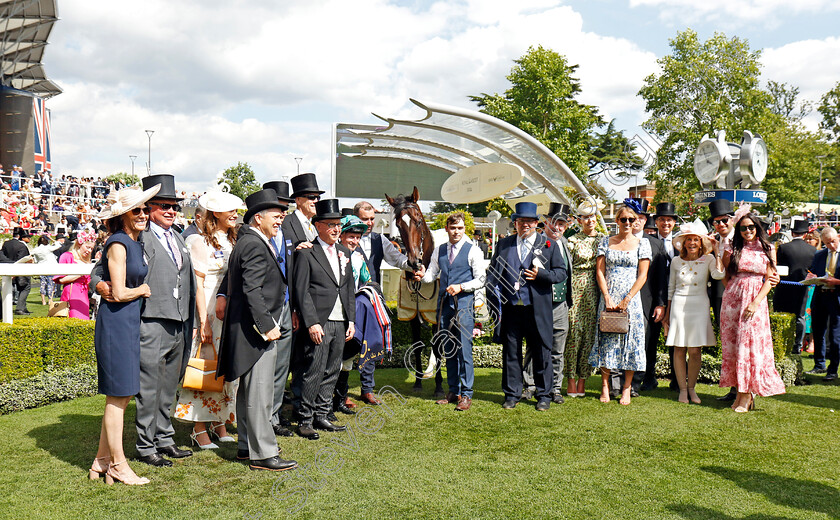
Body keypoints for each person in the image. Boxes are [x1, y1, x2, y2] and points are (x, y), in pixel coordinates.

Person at [92, 174, 197, 467]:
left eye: (174, 206)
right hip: (149, 320)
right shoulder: (136, 235)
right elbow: (100, 270)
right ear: (146, 207)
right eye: (162, 205)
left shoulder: (178, 236)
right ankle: (146, 444)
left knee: (169, 385)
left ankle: (164, 438)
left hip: (179, 321)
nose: (170, 211)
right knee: (148, 387)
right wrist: (98, 285)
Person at [216, 189, 297, 471]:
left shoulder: (251, 240)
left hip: (250, 330)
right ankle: (263, 454)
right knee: (260, 393)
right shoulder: (253, 244)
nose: (281, 221)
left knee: (250, 392)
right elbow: (252, 289)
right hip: (256, 331)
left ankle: (245, 447)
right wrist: (267, 327)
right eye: (276, 216)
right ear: (258, 217)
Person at [89, 184, 159, 485]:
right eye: (137, 210)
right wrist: (142, 290)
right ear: (124, 216)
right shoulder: (118, 242)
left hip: (128, 323)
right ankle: (118, 464)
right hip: (116, 323)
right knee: (118, 396)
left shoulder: (135, 241)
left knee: (124, 393)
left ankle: (101, 462)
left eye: (146, 209)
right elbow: (117, 293)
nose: (143, 214)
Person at [173, 191, 243, 449]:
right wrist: (203, 321)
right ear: (216, 214)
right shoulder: (198, 242)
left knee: (225, 371)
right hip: (209, 311)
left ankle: (219, 422)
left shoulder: (233, 239)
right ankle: (198, 428)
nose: (235, 214)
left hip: (230, 312)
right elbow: (198, 285)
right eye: (229, 210)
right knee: (205, 369)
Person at [486, 202, 566, 411]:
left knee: (541, 352)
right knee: (511, 352)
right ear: (515, 223)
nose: (525, 225)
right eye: (521, 221)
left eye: (529, 221)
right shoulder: (504, 245)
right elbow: (493, 273)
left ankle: (544, 396)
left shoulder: (548, 244)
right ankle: (512, 394)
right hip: (511, 309)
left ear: (536, 223)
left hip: (536, 309)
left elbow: (561, 273)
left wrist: (541, 275)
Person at [292, 198, 356, 438]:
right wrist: (312, 322)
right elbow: (302, 290)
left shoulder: (344, 252)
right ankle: (305, 418)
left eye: (338, 224)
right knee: (313, 369)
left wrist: (351, 320)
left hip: (341, 321)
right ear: (318, 225)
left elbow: (348, 288)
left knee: (332, 369)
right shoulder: (307, 252)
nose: (336, 229)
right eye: (330, 224)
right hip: (319, 320)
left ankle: (322, 414)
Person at [419, 212, 486, 411]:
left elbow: (481, 279)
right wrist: (421, 276)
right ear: (446, 228)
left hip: (464, 306)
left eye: (460, 228)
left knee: (464, 350)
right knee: (449, 349)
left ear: (465, 229)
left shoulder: (473, 251)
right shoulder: (439, 250)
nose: (456, 232)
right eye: (453, 228)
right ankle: (453, 391)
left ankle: (466, 395)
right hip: (445, 306)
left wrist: (461, 286)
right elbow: (431, 275)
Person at [720, 207, 785, 412]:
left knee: (750, 346)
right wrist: (731, 292)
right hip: (733, 300)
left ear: (757, 227)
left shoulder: (767, 248)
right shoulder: (732, 248)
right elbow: (725, 273)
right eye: (742, 228)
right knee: (734, 347)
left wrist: (756, 302)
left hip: (755, 300)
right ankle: (739, 393)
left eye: (751, 227)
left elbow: (770, 278)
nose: (747, 231)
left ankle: (747, 395)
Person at [589, 200, 651, 406]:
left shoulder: (643, 243)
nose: (627, 222)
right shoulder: (606, 241)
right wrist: (606, 296)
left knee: (631, 342)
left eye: (631, 219)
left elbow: (642, 275)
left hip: (631, 299)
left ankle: (627, 388)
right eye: (623, 219)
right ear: (616, 220)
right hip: (609, 297)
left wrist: (628, 298)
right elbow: (600, 270)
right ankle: (605, 386)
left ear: (636, 221)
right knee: (607, 339)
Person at [662, 220, 724, 404]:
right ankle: (682, 390)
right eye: (688, 239)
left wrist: (717, 251)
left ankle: (692, 389)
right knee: (679, 348)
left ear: (701, 242)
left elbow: (719, 275)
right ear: (683, 242)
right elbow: (671, 288)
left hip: (699, 305)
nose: (692, 243)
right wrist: (667, 314)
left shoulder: (710, 259)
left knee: (695, 350)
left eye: (696, 240)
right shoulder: (675, 261)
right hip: (679, 306)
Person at [521, 203, 573, 404]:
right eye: (555, 223)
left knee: (558, 348)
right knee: (535, 346)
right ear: (546, 223)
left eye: (562, 224)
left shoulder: (566, 244)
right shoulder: (537, 243)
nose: (558, 228)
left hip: (560, 304)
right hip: (539, 303)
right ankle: (530, 385)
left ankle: (555, 388)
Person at [260, 181, 297, 438]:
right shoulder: (253, 235)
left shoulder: (291, 232)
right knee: (262, 369)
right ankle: (259, 419)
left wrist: (293, 308)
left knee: (281, 367)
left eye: (285, 206)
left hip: (286, 306)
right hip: (264, 309)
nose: (283, 212)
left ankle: (273, 417)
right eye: (278, 207)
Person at [624, 200, 667, 396]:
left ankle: (642, 379)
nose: (636, 222)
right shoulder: (617, 241)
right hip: (622, 297)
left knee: (647, 341)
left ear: (644, 221)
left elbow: (660, 277)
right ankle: (622, 379)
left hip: (647, 300)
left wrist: (660, 303)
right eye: (633, 218)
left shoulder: (655, 244)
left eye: (641, 218)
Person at [564, 200, 605, 397]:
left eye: (592, 216)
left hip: (595, 289)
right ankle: (571, 379)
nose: (590, 220)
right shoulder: (572, 241)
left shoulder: (604, 240)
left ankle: (583, 380)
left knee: (589, 335)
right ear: (580, 220)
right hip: (575, 288)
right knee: (573, 333)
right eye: (586, 217)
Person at [774, 219, 817, 354]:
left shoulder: (783, 248)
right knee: (800, 316)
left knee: (780, 314)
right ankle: (798, 345)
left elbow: (778, 267)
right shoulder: (812, 250)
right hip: (802, 287)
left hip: (784, 287)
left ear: (792, 233)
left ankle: (779, 342)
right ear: (804, 234)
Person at [805, 227, 840, 380]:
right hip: (820, 295)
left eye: (833, 241)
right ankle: (819, 364)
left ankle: (833, 369)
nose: (831, 246)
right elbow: (813, 271)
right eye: (827, 243)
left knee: (835, 334)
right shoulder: (820, 254)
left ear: (838, 237)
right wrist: (811, 276)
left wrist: (836, 282)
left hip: (836, 296)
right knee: (818, 331)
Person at [354, 200, 411, 283]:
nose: (370, 223)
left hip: (374, 293)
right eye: (365, 219)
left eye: (372, 219)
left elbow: (398, 259)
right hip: (352, 294)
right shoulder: (344, 240)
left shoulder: (380, 239)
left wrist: (417, 266)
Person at [55, 232, 95, 319]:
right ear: (79, 244)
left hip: (84, 297)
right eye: (87, 247)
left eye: (91, 249)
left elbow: (89, 285)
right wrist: (81, 272)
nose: (89, 251)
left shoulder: (87, 262)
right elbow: (61, 279)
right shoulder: (67, 256)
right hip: (70, 295)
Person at [282, 173, 323, 247]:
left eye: (318, 198)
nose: (316, 201)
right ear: (298, 200)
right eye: (311, 197)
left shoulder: (314, 227)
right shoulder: (285, 223)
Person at [2, 228, 32, 315]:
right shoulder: (22, 246)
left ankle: (22, 307)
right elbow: (22, 259)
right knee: (25, 287)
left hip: (8, 268)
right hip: (19, 269)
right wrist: (14, 266)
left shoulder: (6, 243)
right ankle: (20, 308)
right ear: (20, 236)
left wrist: (10, 264)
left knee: (12, 288)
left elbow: (2, 256)